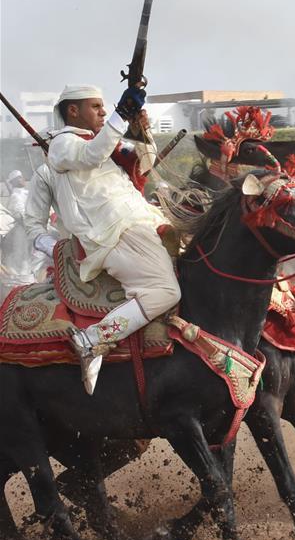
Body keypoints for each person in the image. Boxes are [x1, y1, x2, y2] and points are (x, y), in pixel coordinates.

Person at [39, 84, 177, 394]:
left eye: (105, 107)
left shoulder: (105, 143)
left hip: (139, 223)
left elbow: (144, 164)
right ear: (73, 111)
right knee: (166, 292)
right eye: (96, 107)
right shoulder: (64, 143)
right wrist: (119, 115)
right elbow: (92, 154)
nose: (103, 112)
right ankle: (93, 339)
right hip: (115, 233)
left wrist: (142, 132)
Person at [0, 170, 39, 298]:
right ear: (15, 181)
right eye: (20, 178)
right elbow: (20, 214)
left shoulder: (25, 193)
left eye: (22, 177)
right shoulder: (16, 197)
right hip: (23, 231)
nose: (23, 179)